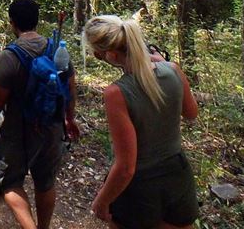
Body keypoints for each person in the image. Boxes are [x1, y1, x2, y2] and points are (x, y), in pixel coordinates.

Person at [84, 14, 199, 229]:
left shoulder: (117, 93)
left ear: (110, 54)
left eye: (98, 54)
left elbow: (127, 166)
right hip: (178, 175)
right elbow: (191, 113)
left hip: (140, 186)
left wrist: (102, 201)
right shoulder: (172, 70)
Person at [0, 0, 80, 229]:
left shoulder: (8, 57)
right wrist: (69, 118)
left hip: (17, 129)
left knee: (10, 183)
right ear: (36, 21)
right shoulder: (56, 50)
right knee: (45, 182)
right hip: (51, 126)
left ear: (12, 22)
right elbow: (70, 89)